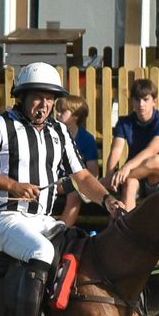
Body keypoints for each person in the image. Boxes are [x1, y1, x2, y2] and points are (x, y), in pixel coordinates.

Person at [0, 62, 126, 316]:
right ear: (22, 97)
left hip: (43, 221)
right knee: (42, 251)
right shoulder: (1, 125)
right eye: (38, 97)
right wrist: (11, 185)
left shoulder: (59, 131)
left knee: (81, 244)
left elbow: (82, 177)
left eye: (50, 99)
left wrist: (108, 201)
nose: (45, 105)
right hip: (3, 219)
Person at [105, 78, 159, 208]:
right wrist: (109, 174)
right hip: (135, 177)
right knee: (130, 184)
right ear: (132, 101)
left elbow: (152, 150)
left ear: (154, 101)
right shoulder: (124, 122)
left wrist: (125, 168)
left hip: (157, 179)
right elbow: (116, 150)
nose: (141, 104)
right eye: (137, 100)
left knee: (156, 160)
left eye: (145, 99)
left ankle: (111, 181)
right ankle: (126, 220)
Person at [56, 95, 97, 227]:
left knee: (74, 194)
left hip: (73, 182)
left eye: (62, 111)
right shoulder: (52, 134)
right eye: (57, 111)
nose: (57, 114)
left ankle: (61, 230)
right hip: (52, 180)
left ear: (75, 116)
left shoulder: (86, 139)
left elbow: (93, 172)